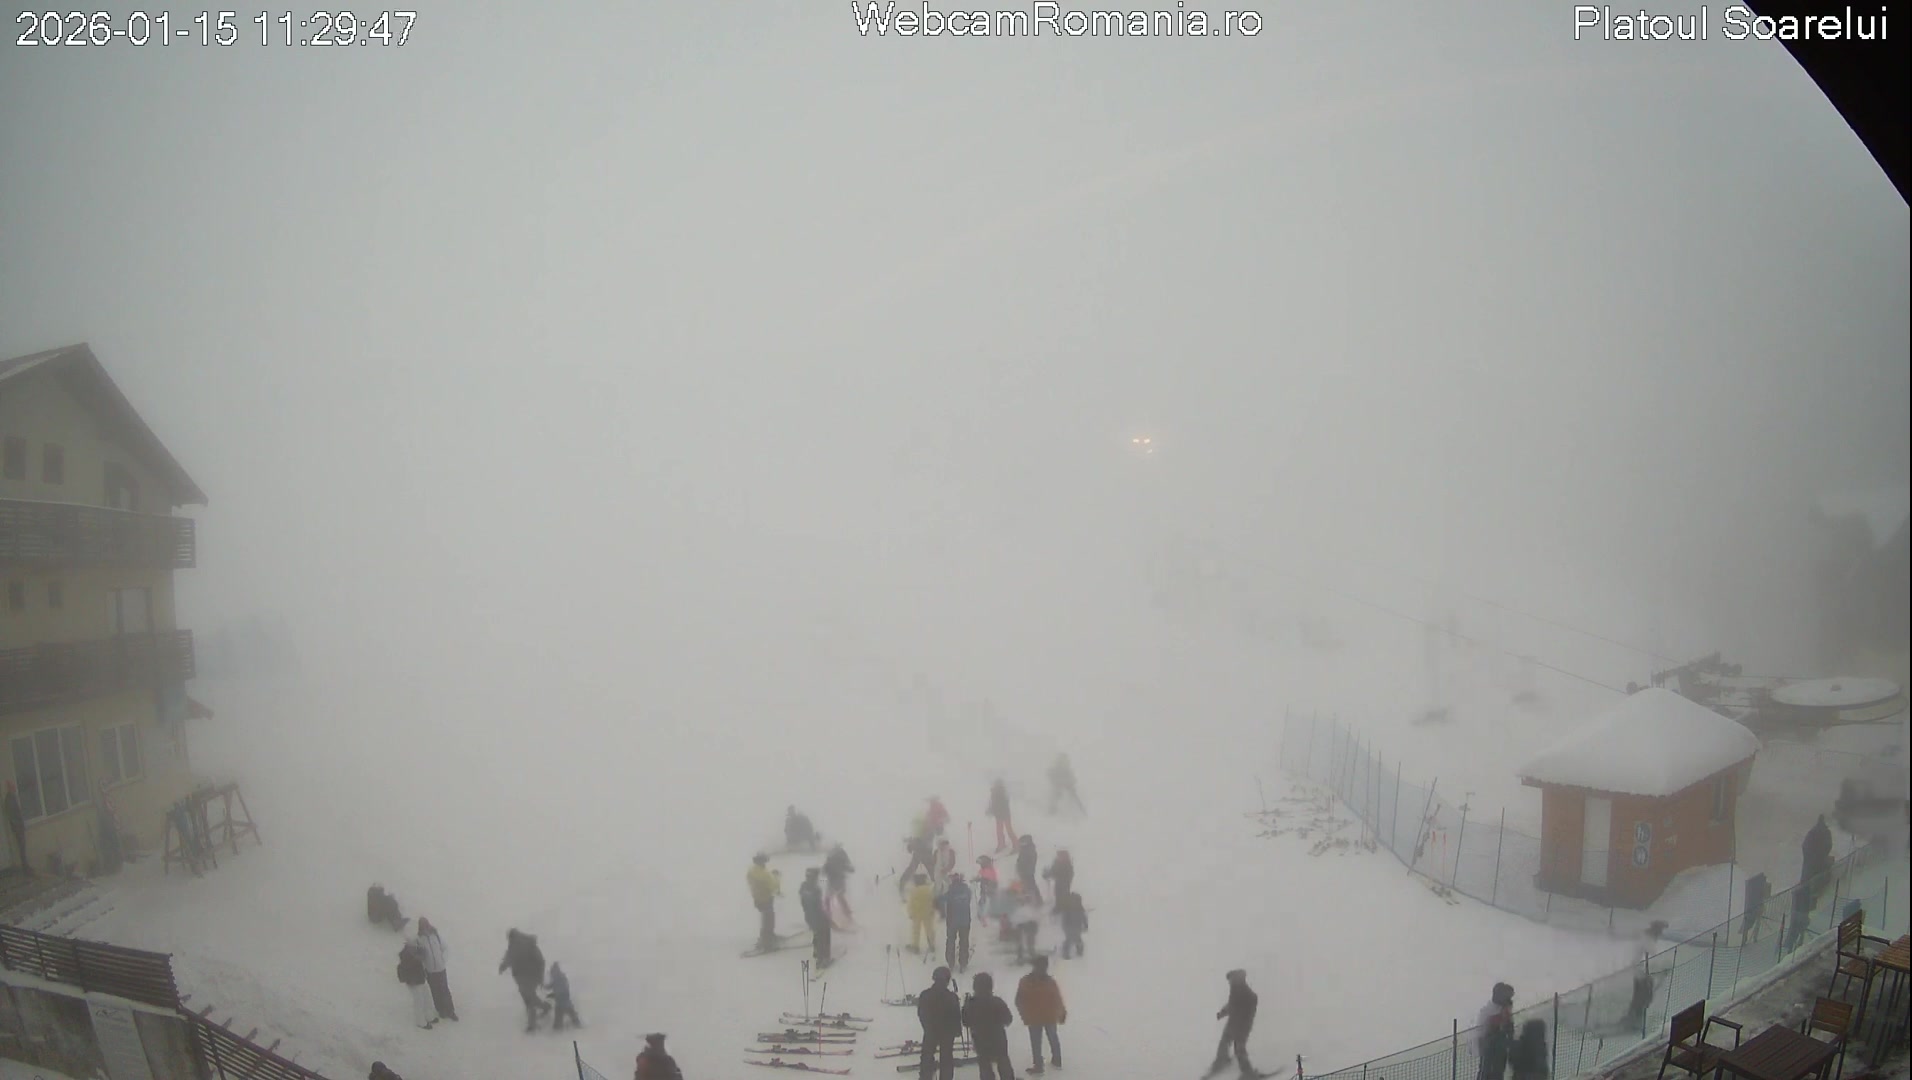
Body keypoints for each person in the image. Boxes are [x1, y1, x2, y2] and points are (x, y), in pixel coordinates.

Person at [963, 971, 1018, 1080]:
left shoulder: (971, 1004)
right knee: (1003, 1062)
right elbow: (1008, 1019)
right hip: (998, 1038)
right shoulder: (997, 1001)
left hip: (980, 1039)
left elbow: (966, 1022)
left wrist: (965, 1007)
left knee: (984, 1065)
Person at [1014, 955, 1065, 1073]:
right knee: (1051, 1038)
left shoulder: (1026, 981)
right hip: (1046, 1016)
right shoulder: (1049, 982)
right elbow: (1057, 999)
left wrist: (1024, 1014)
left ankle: (1039, 1065)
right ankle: (1056, 1060)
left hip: (1036, 1017)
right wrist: (1061, 1012)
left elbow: (1019, 1000)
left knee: (1037, 1041)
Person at [498, 928, 550, 1033]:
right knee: (529, 997)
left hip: (531, 976)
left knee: (529, 1000)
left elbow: (540, 961)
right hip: (522, 978)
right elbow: (509, 957)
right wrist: (503, 966)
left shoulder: (528, 945)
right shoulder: (515, 946)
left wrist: (503, 966)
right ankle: (545, 1007)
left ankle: (532, 1024)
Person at [916, 966, 963, 1080]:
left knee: (927, 1056)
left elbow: (921, 1014)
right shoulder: (952, 997)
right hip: (947, 1033)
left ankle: (925, 1077)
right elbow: (957, 1017)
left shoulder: (925, 995)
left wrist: (927, 1027)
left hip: (930, 1031)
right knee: (946, 1058)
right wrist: (957, 1031)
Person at [1213, 968, 1259, 1077]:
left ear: (1238, 979)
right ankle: (1222, 1060)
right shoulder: (1235, 990)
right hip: (1233, 1022)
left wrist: (1242, 1018)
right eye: (1229, 980)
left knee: (1239, 1048)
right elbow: (1231, 1005)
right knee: (1224, 1041)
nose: (1229, 982)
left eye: (1231, 979)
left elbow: (1251, 1001)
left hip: (1242, 1025)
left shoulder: (1245, 992)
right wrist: (1222, 1013)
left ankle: (1248, 1072)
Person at [413, 917, 457, 1022]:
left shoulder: (436, 936)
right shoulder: (419, 940)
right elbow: (419, 956)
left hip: (441, 968)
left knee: (444, 989)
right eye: (423, 926)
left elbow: (445, 948)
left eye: (426, 925)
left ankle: (450, 1010)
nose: (425, 928)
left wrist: (443, 960)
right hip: (430, 971)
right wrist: (424, 966)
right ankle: (441, 1010)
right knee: (435, 991)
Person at [1476, 982, 1514, 1080]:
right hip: (1489, 1047)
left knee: (1498, 1071)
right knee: (1486, 1071)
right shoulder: (1488, 1011)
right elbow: (1482, 1032)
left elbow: (1509, 1029)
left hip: (1500, 1048)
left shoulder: (1505, 1010)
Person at [396, 939, 436, 1030]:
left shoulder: (415, 952)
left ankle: (429, 1016)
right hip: (414, 982)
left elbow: (422, 956)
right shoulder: (407, 955)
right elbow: (418, 960)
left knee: (427, 998)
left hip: (421, 979)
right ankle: (420, 1022)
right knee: (419, 1001)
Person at [748, 853, 783, 950]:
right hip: (765, 898)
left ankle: (768, 936)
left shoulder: (752, 871)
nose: (765, 863)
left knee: (766, 918)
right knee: (769, 919)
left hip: (758, 898)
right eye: (764, 861)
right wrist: (776, 877)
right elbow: (772, 886)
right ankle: (767, 941)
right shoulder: (763, 873)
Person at [800, 867, 833, 966]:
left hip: (809, 916)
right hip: (818, 917)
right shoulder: (816, 889)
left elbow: (803, 903)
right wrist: (828, 917)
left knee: (817, 935)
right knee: (825, 934)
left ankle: (818, 955)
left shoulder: (803, 886)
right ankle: (825, 957)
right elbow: (819, 906)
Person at [941, 871, 974, 972]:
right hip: (965, 920)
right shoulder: (967, 890)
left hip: (952, 921)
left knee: (951, 940)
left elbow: (941, 899)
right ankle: (963, 962)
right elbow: (969, 899)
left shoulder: (950, 891)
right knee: (964, 941)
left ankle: (950, 961)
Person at [1801, 814, 1833, 907]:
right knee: (1816, 879)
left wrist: (1808, 856)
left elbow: (1804, 845)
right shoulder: (1826, 832)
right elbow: (1828, 845)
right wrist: (1822, 855)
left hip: (1810, 859)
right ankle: (1812, 899)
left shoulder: (1812, 832)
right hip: (1818, 859)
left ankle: (1804, 898)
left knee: (1807, 878)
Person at [823, 843, 856, 925]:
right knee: (835, 897)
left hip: (836, 880)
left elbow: (826, 868)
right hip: (834, 879)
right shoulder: (836, 855)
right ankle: (846, 916)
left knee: (834, 897)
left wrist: (849, 869)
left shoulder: (837, 855)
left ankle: (847, 916)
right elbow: (826, 868)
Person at [907, 872, 938, 954]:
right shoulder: (929, 890)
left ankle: (915, 946)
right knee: (929, 929)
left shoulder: (914, 891)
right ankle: (932, 945)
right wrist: (933, 911)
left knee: (916, 931)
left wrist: (910, 913)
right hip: (927, 913)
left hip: (917, 913)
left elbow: (911, 903)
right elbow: (933, 901)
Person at [1012, 886, 1042, 964]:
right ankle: (1024, 955)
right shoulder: (1024, 905)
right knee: (1024, 940)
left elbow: (1036, 915)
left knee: (1026, 940)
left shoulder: (1028, 905)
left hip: (1026, 922)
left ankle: (1025, 955)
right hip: (1024, 922)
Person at [900, 833, 934, 897]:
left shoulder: (920, 839)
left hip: (923, 855)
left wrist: (910, 846)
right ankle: (903, 883)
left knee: (930, 870)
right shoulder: (917, 839)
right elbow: (911, 847)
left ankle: (903, 882)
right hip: (922, 855)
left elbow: (911, 847)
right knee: (913, 869)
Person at [1056, 891, 1088, 959]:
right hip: (1069, 927)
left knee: (1077, 939)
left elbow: (1084, 917)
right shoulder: (1068, 909)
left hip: (1077, 927)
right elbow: (1064, 918)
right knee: (1070, 940)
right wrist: (1065, 926)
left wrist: (1085, 925)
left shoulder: (1080, 908)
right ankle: (1066, 953)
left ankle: (1079, 951)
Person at [3, 781, 27, 872]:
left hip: (19, 826)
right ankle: (25, 867)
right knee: (21, 847)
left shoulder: (12, 797)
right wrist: (18, 826)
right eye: (13, 786)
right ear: (9, 788)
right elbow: (12, 815)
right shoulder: (9, 799)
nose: (15, 788)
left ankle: (25, 865)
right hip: (17, 827)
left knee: (23, 847)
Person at [988, 779, 1016, 853]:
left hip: (1004, 814)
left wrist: (993, 810)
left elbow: (1003, 804)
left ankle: (1016, 845)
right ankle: (1001, 845)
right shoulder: (994, 793)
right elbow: (993, 804)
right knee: (999, 831)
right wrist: (991, 810)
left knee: (1009, 830)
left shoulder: (1003, 793)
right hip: (999, 815)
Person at [1015, 835, 1040, 900]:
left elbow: (1032, 862)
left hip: (1028, 872)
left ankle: (1038, 900)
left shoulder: (1030, 850)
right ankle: (1027, 899)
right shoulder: (1023, 849)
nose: (1021, 844)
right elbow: (1020, 859)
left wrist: (1028, 870)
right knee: (1024, 886)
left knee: (1031, 886)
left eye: (1022, 842)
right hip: (1022, 872)